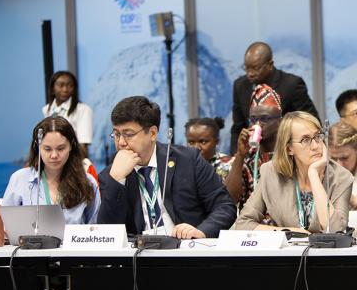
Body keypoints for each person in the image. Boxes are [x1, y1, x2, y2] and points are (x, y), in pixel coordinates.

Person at [97, 96, 236, 238]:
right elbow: (107, 234)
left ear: (152, 133)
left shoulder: (188, 160)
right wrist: (116, 181)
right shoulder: (111, 174)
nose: (120, 142)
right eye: (116, 134)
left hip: (186, 251)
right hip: (140, 256)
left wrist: (201, 231)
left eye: (128, 134)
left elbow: (224, 207)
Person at [235, 111, 353, 233]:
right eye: (305, 140)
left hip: (325, 251)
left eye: (318, 136)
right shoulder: (270, 173)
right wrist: (289, 233)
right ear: (289, 149)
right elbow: (243, 224)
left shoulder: (341, 177)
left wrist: (313, 175)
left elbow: (335, 229)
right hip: (286, 251)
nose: (315, 146)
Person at [3, 116, 100, 224]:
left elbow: (94, 230)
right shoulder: (19, 180)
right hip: (29, 241)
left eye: (61, 148)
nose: (54, 155)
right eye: (47, 149)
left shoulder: (88, 183)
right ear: (37, 147)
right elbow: (6, 225)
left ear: (71, 145)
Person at [230, 41, 319, 154]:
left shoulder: (291, 84)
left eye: (256, 68)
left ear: (270, 65)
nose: (250, 73)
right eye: (246, 68)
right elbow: (237, 127)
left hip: (287, 152)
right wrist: (235, 155)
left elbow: (310, 121)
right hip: (253, 152)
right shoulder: (240, 85)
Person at [226, 84, 282, 207]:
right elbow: (229, 199)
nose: (258, 124)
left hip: (286, 224)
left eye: (265, 119)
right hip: (250, 224)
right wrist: (240, 156)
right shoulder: (247, 153)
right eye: (253, 119)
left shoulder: (290, 152)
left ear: (280, 121)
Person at [42, 71, 93, 157]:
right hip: (53, 157)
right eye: (61, 85)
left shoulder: (83, 110)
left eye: (70, 85)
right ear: (52, 89)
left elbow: (83, 146)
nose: (65, 89)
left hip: (73, 159)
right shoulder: (47, 109)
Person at [184, 117, 232, 181]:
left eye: (203, 142)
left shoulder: (230, 164)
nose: (196, 147)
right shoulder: (181, 165)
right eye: (191, 142)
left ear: (216, 141)